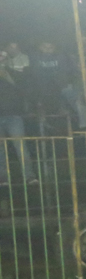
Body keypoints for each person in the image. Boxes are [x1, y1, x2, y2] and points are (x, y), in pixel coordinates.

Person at [0, 50, 31, 185]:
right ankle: (3, 178)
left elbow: (21, 88)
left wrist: (6, 74)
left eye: (3, 58)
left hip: (13, 115)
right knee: (0, 150)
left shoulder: (12, 73)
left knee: (21, 147)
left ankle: (29, 176)